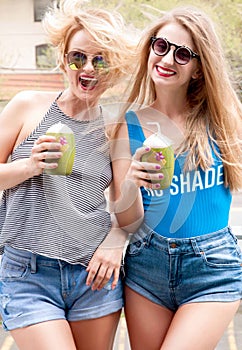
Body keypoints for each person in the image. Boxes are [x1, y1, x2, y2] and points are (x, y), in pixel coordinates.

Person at [0, 0, 134, 349]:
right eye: (78, 56)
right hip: (28, 274)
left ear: (113, 66)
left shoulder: (114, 125)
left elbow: (126, 206)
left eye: (99, 59)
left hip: (94, 274)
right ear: (63, 58)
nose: (87, 68)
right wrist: (29, 165)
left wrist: (117, 242)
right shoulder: (27, 105)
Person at [111, 6, 242, 350]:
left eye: (183, 54)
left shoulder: (223, 119)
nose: (167, 59)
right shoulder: (130, 125)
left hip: (212, 270)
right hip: (146, 267)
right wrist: (130, 184)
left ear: (199, 68)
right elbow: (128, 223)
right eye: (161, 46)